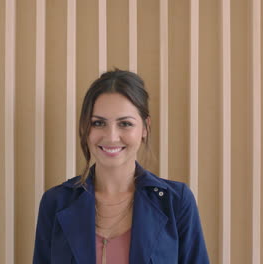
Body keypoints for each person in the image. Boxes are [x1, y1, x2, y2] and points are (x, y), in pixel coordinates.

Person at [33, 69, 209, 264]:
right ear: (85, 127)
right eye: (98, 123)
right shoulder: (56, 202)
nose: (111, 137)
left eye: (125, 123)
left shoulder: (176, 202)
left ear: (145, 128)